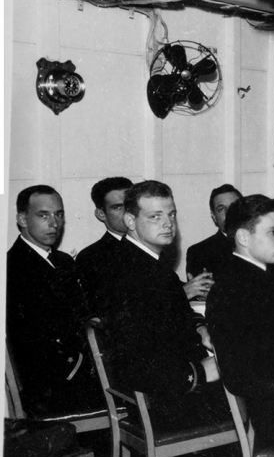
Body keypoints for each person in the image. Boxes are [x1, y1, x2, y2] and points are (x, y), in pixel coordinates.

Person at [105, 180, 227, 432]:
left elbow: (174, 318)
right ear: (130, 221)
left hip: (167, 387)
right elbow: (136, 361)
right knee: (257, 393)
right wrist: (198, 373)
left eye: (171, 214)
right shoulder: (131, 273)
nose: (168, 223)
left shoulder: (147, 263)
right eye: (155, 216)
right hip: (162, 401)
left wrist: (201, 330)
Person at [206, 195, 274, 450]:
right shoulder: (244, 288)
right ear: (243, 238)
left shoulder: (251, 279)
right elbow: (242, 373)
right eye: (273, 232)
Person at [6, 185, 101, 415]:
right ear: (22, 219)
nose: (54, 223)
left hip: (76, 370)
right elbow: (34, 341)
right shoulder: (12, 267)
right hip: (51, 385)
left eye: (59, 214)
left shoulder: (63, 261)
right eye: (43, 215)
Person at [75, 176, 133, 318]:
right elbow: (109, 307)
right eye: (118, 207)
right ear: (101, 214)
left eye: (130, 204)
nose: (127, 212)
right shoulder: (90, 257)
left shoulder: (152, 245)